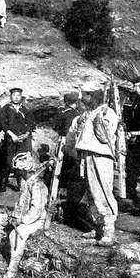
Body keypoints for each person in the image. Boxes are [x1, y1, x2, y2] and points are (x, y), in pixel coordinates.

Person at [0, 152, 49, 278]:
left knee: (15, 234)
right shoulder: (26, 183)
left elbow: (36, 211)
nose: (16, 173)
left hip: (35, 222)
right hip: (22, 218)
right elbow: (22, 206)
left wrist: (21, 220)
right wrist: (13, 216)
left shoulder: (38, 185)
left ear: (24, 170)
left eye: (18, 170)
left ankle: (12, 270)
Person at [67, 83, 118, 246]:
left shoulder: (108, 113)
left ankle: (109, 230)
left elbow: (104, 137)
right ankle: (99, 227)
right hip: (87, 156)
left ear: (95, 96)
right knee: (91, 193)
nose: (83, 98)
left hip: (101, 157)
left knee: (103, 191)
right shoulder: (88, 113)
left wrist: (99, 120)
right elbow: (76, 136)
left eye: (87, 95)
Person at [0, 87, 35, 191]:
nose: (16, 97)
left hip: (23, 139)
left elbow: (30, 123)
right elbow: (3, 124)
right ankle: (3, 184)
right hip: (11, 139)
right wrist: (12, 136)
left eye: (18, 95)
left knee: (22, 162)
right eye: (14, 95)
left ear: (21, 97)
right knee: (8, 161)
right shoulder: (6, 108)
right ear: (10, 96)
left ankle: (21, 184)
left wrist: (26, 134)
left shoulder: (25, 110)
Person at [54, 93, 82, 221]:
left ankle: (59, 192)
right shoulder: (75, 114)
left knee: (61, 169)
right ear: (75, 102)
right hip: (71, 143)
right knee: (71, 169)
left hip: (61, 142)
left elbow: (56, 127)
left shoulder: (61, 112)